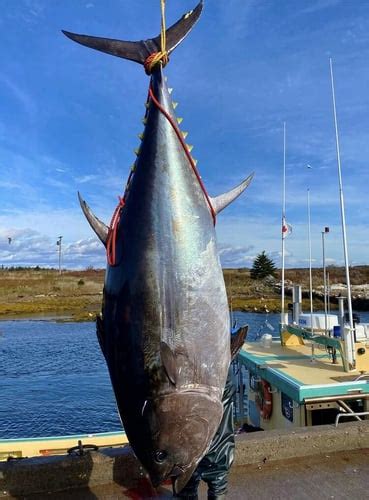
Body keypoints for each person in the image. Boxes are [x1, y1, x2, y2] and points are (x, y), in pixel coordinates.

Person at [173, 326, 247, 500]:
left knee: (188, 474)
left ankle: (190, 488)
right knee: (217, 476)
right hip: (214, 362)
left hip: (197, 366)